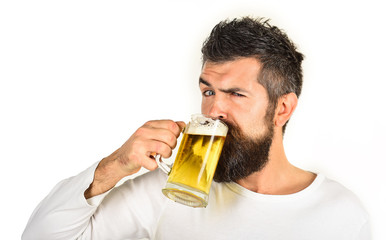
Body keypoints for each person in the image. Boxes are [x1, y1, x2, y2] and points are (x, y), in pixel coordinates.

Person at [22, 17, 370, 240]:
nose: (213, 109)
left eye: (235, 93)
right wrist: (114, 166)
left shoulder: (341, 213)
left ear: (282, 109)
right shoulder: (168, 192)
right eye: (208, 91)